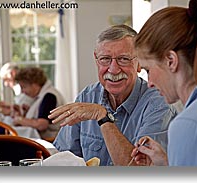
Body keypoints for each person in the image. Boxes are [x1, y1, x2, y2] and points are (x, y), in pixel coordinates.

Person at [48, 25, 177, 166]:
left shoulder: (159, 104)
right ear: (96, 59)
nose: (113, 69)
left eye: (123, 59)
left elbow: (140, 172)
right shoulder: (87, 96)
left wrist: (103, 118)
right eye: (105, 59)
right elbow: (63, 159)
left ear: (139, 62)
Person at [131, 0, 197, 166]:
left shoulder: (190, 124)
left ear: (171, 60)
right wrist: (168, 164)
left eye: (148, 70)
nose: (150, 83)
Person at [13, 67, 65, 140]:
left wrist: (20, 120)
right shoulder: (43, 95)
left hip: (49, 141)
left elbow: (42, 125)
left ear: (34, 84)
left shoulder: (49, 96)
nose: (22, 91)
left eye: (24, 87)